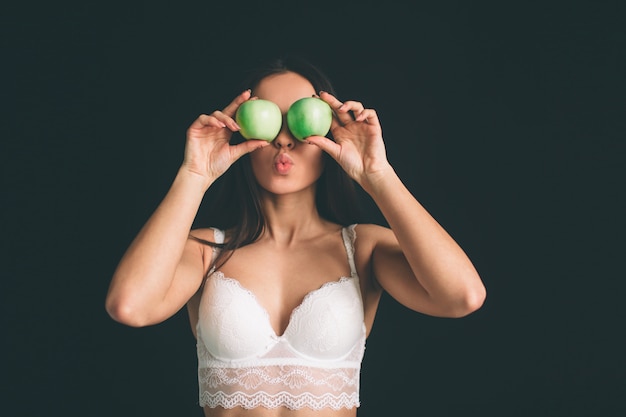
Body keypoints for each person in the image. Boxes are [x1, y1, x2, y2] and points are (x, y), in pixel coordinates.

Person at [105, 55, 486, 417]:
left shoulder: (363, 249)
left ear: (328, 132)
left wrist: (378, 175)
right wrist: (194, 175)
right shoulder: (207, 251)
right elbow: (130, 307)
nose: (284, 139)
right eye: (270, 119)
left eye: (302, 120)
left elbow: (461, 296)